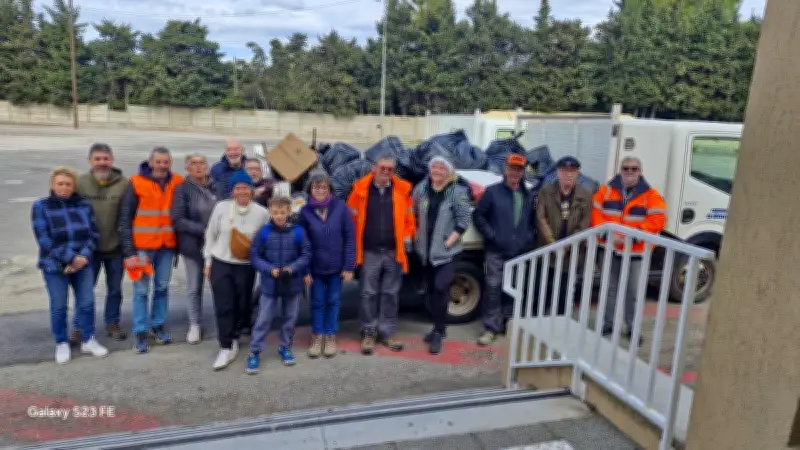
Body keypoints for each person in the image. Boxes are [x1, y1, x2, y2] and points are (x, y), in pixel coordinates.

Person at [31, 167, 109, 364]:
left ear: (74, 186)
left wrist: (82, 256)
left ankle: (88, 339)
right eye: (60, 184)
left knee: (87, 303)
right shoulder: (41, 206)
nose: (64, 187)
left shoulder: (83, 205)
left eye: (68, 184)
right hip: (54, 264)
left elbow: (93, 234)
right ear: (52, 185)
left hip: (83, 263)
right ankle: (61, 342)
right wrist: (69, 258)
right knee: (59, 306)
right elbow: (44, 239)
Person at [592, 156, 667, 344]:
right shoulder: (605, 190)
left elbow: (657, 221)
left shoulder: (652, 195)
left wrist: (631, 237)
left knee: (633, 293)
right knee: (609, 289)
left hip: (636, 253)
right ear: (620, 170)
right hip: (609, 249)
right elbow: (595, 215)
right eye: (626, 168)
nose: (629, 172)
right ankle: (607, 324)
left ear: (640, 171)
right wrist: (610, 236)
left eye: (634, 169)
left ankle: (632, 328)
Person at [347, 154, 416, 355]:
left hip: (394, 253)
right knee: (368, 293)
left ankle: (387, 332)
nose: (386, 172)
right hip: (369, 252)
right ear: (374, 168)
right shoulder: (359, 191)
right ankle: (369, 332)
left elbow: (409, 220)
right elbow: (351, 221)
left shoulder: (402, 191)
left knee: (391, 294)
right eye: (382, 168)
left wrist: (407, 239)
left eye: (390, 169)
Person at [119, 147, 185, 354]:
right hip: (142, 248)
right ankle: (140, 331)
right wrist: (129, 252)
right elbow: (125, 218)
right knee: (140, 291)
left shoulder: (178, 182)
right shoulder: (136, 182)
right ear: (151, 162)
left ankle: (158, 325)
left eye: (166, 162)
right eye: (158, 162)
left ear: (171, 162)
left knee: (162, 287)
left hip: (166, 247)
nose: (162, 166)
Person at [203, 169, 270, 370]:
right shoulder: (221, 208)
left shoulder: (262, 213)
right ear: (233, 191)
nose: (242, 191)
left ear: (252, 190)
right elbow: (210, 235)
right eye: (238, 188)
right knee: (224, 305)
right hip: (221, 262)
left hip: (246, 267)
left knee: (242, 305)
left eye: (245, 188)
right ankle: (225, 345)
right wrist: (208, 262)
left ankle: (235, 336)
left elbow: (265, 241)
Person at [472, 153, 537, 346]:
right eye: (512, 168)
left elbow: (532, 222)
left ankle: (509, 323)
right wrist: (492, 236)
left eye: (519, 169)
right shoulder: (492, 192)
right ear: (505, 169)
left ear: (523, 172)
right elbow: (479, 216)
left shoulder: (527, 194)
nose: (515, 172)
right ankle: (490, 328)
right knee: (493, 288)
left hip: (518, 251)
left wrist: (528, 237)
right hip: (496, 250)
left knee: (514, 288)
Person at [411, 156, 472, 354]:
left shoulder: (456, 191)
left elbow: (464, 220)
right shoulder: (421, 189)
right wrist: (414, 236)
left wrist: (448, 241)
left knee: (440, 288)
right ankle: (440, 328)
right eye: (434, 167)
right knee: (429, 290)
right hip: (425, 251)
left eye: (441, 168)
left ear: (448, 171)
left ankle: (438, 332)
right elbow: (411, 212)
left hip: (446, 253)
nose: (437, 171)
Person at [70, 143, 129, 345]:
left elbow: (128, 215)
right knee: (85, 290)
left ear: (111, 160)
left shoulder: (123, 184)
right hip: (88, 250)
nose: (102, 163)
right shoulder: (79, 183)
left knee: (114, 289)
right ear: (90, 161)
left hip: (115, 248)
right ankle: (78, 326)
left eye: (106, 159)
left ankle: (112, 322)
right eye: (98, 159)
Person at [247, 196, 311, 373]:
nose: (279, 216)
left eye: (283, 212)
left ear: (289, 212)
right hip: (270, 283)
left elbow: (306, 254)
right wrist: (269, 269)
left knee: (290, 318)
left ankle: (285, 347)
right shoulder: (263, 232)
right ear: (270, 212)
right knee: (264, 318)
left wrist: (293, 268)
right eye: (275, 212)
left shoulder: (298, 232)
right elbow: (255, 256)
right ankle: (254, 351)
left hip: (292, 282)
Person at [298, 172, 356, 358]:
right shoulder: (305, 211)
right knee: (317, 302)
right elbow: (302, 243)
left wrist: (348, 267)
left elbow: (350, 238)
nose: (320, 190)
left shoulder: (341, 208)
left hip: (336, 267)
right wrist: (305, 270)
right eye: (316, 187)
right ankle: (317, 335)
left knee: (333, 300)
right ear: (310, 190)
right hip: (315, 268)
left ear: (329, 189)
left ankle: (330, 335)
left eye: (324, 187)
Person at [535, 156, 592, 315]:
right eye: (564, 171)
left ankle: (560, 319)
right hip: (547, 250)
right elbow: (541, 218)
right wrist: (554, 245)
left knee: (564, 291)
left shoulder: (585, 194)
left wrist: (566, 247)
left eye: (572, 171)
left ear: (577, 173)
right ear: (558, 172)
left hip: (571, 253)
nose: (568, 174)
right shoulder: (546, 191)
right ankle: (538, 319)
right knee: (542, 288)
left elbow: (584, 224)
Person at [171, 153, 218, 344]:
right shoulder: (182, 189)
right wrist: (204, 230)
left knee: (219, 285)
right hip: (193, 245)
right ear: (187, 168)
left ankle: (223, 322)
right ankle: (195, 325)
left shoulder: (217, 186)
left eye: (202, 163)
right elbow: (178, 219)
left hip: (217, 245)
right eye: (194, 164)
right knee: (194, 286)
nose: (199, 167)